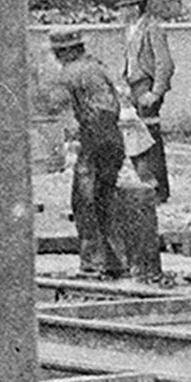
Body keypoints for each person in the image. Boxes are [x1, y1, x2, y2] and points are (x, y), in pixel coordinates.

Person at [49, 27, 128, 278]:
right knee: (106, 200)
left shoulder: (71, 73)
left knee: (85, 202)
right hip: (112, 139)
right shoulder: (96, 66)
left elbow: (57, 107)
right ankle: (116, 261)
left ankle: (94, 263)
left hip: (93, 139)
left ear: (65, 52)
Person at [116, 0, 173, 204]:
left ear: (135, 8)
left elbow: (164, 63)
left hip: (146, 88)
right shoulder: (130, 29)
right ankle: (148, 183)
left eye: (124, 8)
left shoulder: (152, 28)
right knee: (135, 139)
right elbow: (128, 61)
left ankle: (159, 190)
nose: (120, 13)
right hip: (132, 89)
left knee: (150, 141)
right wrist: (123, 83)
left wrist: (156, 92)